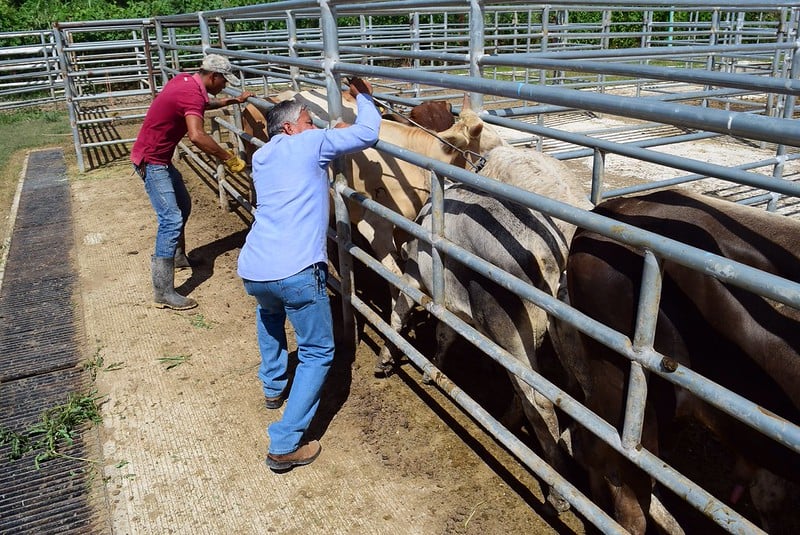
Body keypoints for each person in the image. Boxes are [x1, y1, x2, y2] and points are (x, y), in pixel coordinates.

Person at [237, 77, 380, 472]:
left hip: (255, 266)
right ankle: (284, 444)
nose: (315, 125)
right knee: (318, 351)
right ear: (290, 127)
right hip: (297, 268)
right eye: (308, 119)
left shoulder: (262, 157)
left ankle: (273, 385)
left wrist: (323, 132)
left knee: (269, 314)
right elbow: (368, 133)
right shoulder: (310, 143)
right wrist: (364, 97)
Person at [131, 54, 254, 310]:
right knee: (171, 218)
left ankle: (177, 256)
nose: (224, 86)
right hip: (152, 162)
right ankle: (163, 291)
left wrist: (231, 100)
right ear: (213, 76)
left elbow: (201, 105)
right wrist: (228, 158)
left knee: (183, 206)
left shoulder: (186, 82)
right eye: (224, 82)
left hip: (160, 158)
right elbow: (197, 136)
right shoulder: (191, 93)